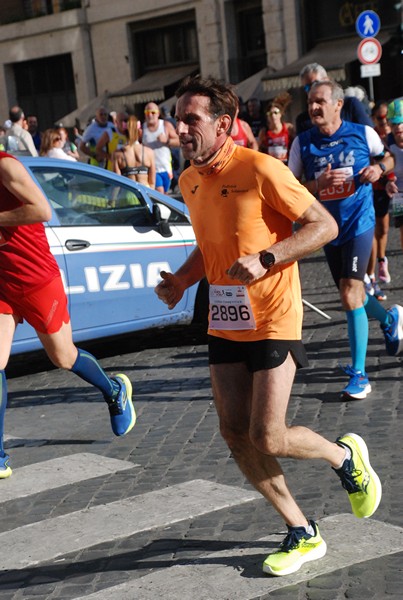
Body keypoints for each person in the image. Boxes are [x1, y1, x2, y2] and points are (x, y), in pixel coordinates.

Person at [154, 75, 382, 577]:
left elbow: (323, 225)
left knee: (269, 434)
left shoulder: (260, 168)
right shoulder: (188, 180)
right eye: (179, 118)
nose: (181, 128)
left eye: (191, 118)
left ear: (224, 124)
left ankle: (343, 456)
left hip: (275, 314)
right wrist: (185, 281)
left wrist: (268, 257)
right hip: (225, 315)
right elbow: (211, 243)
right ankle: (303, 531)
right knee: (235, 433)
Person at [0, 152, 136, 479]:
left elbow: (42, 209)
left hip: (36, 280)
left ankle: (114, 391)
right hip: (2, 282)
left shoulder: (5, 166)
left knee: (63, 356)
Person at [288, 79, 402, 399]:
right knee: (350, 292)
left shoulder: (361, 133)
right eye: (310, 102)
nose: (313, 108)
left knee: (350, 292)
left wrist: (379, 171)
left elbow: (388, 158)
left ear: (338, 105)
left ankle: (360, 374)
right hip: (326, 228)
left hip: (359, 222)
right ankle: (390, 317)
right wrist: (318, 183)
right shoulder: (303, 143)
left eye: (320, 101)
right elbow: (292, 188)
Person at [365, 101, 393, 300]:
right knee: (373, 232)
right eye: (380, 119)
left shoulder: (394, 137)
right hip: (372, 189)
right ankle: (371, 277)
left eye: (387, 119)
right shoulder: (371, 136)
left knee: (383, 230)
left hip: (390, 189)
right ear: (374, 119)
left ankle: (382, 260)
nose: (384, 123)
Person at [296, 64, 373, 134]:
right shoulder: (303, 120)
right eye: (307, 87)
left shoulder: (350, 105)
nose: (312, 88)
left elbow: (369, 135)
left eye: (316, 83)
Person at [142, 103, 180, 194]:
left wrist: (167, 140)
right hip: (151, 169)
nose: (150, 115)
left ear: (158, 113)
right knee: (160, 192)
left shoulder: (165, 125)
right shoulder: (142, 129)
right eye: (147, 112)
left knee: (165, 193)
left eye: (153, 112)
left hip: (165, 168)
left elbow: (179, 141)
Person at [112, 115, 156, 188]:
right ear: (140, 131)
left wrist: (112, 199)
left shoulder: (117, 154)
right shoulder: (149, 152)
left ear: (124, 132)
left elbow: (117, 184)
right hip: (145, 192)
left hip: (127, 194)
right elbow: (152, 182)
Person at [385, 98, 403, 251]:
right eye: (395, 123)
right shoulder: (386, 144)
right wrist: (389, 181)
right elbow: (382, 166)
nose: (399, 127)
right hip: (399, 195)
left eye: (402, 122)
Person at [258, 92, 295, 162]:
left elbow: (295, 147)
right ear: (267, 117)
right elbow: (259, 151)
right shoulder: (264, 132)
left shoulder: (288, 128)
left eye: (276, 113)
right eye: (270, 114)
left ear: (280, 114)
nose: (273, 116)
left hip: (286, 165)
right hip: (271, 167)